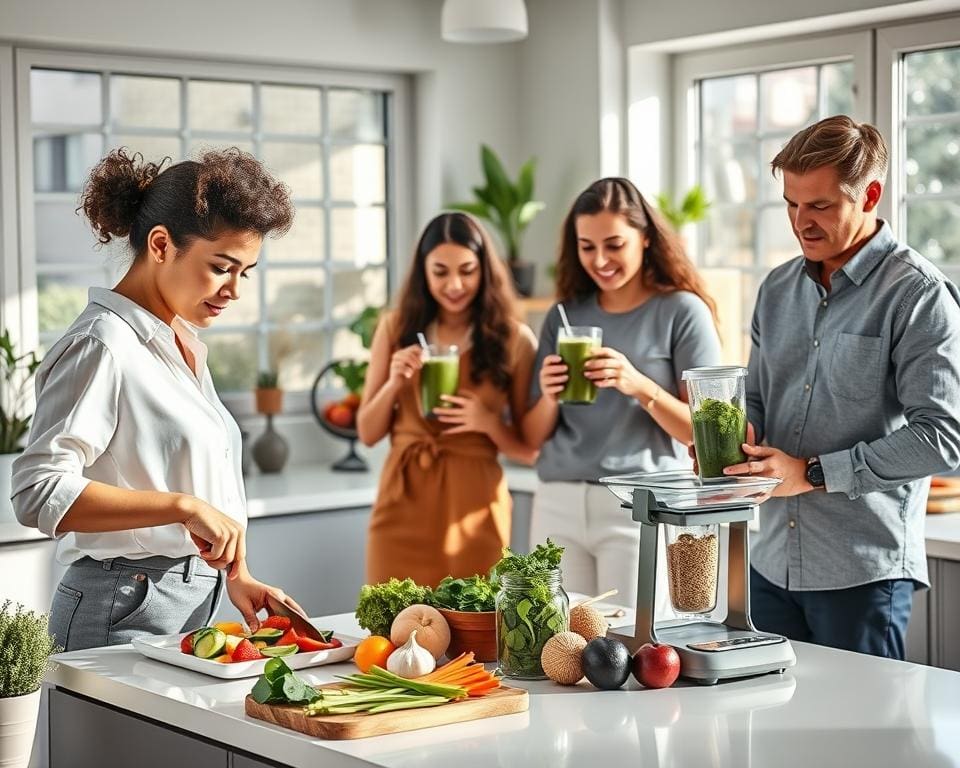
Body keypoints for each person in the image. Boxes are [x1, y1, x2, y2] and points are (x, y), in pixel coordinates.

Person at [12, 147, 300, 651]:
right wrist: (181, 507)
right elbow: (37, 491)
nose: (234, 289)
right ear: (162, 245)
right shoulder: (103, 345)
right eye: (221, 267)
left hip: (193, 599)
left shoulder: (179, 342)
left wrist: (237, 575)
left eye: (245, 272)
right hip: (120, 604)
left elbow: (198, 476)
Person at [723, 115, 960, 658]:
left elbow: (943, 437)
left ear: (869, 194)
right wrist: (731, 442)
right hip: (770, 561)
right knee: (769, 735)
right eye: (791, 203)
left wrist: (808, 473)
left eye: (820, 206)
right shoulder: (777, 288)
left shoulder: (917, 295)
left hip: (863, 575)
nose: (799, 222)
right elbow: (759, 399)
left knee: (862, 739)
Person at [522, 177, 721, 604]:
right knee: (556, 643)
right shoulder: (565, 317)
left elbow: (704, 437)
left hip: (639, 502)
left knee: (631, 647)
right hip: (558, 499)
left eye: (614, 244)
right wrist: (549, 393)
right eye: (587, 246)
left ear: (645, 238)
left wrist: (639, 385)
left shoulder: (681, 312)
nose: (600, 259)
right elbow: (531, 440)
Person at [358, 213, 537, 587]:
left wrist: (488, 422)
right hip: (401, 504)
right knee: (391, 632)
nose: (454, 284)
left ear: (485, 271)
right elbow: (368, 432)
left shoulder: (514, 340)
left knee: (476, 632)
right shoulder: (395, 328)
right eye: (440, 271)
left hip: (475, 513)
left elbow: (529, 450)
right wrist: (393, 383)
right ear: (423, 272)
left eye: (467, 271)